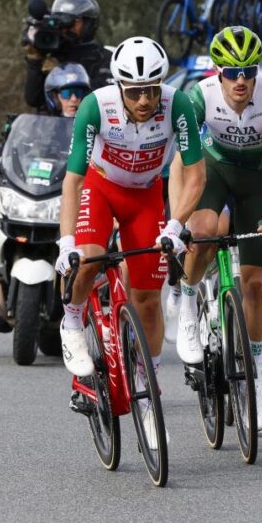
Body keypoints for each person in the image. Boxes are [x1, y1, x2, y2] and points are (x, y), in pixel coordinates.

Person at [55, 36, 206, 448]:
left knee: (147, 297)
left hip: (144, 197)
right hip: (100, 189)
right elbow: (73, 179)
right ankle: (71, 320)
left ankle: (148, 392)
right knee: (90, 258)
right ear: (119, 86)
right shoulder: (95, 107)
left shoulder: (179, 106)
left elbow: (195, 175)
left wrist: (175, 225)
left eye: (152, 89)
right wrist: (66, 240)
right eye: (135, 91)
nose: (144, 99)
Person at [171, 26, 262, 431]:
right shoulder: (199, 96)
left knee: (255, 283)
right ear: (218, 72)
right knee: (206, 230)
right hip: (212, 171)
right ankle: (188, 301)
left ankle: (257, 360)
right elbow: (181, 161)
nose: (241, 80)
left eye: (249, 70)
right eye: (232, 72)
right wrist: (177, 220)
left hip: (258, 179)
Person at [0, 65, 91, 341]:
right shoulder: (34, 126)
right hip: (35, 195)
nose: (74, 99)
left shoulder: (91, 123)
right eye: (67, 93)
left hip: (70, 195)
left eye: (80, 93)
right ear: (53, 96)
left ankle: (105, 315)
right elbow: (11, 153)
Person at [24, 0, 112, 111]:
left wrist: (60, 73)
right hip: (53, 127)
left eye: (73, 22)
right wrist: (34, 60)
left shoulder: (106, 58)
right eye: (61, 22)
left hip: (90, 127)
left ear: (88, 24)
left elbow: (104, 100)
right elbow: (34, 100)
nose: (66, 28)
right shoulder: (53, 54)